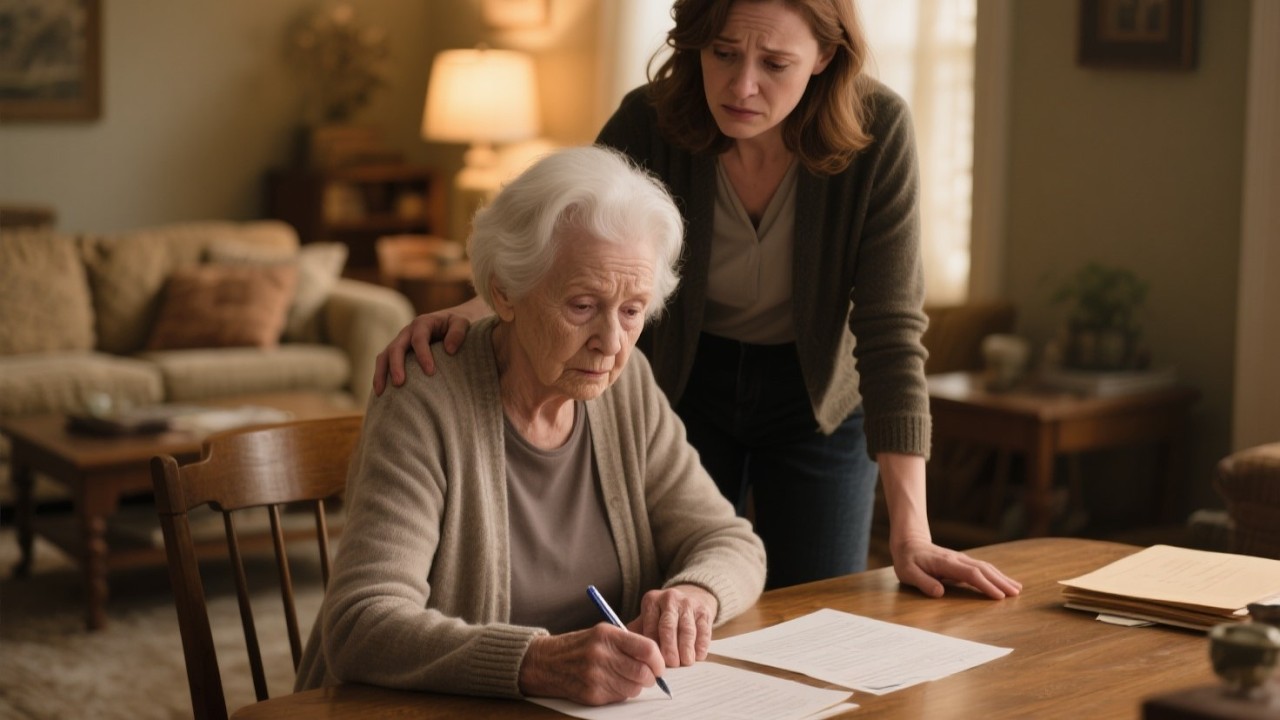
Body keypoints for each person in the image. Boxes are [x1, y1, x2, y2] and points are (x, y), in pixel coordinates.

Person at [373, 0, 1021, 599]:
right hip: (686, 383)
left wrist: (913, 531)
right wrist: (471, 307)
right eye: (722, 53)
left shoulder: (879, 133)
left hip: (817, 397)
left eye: (775, 64)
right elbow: (565, 250)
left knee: (822, 606)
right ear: (695, 44)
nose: (742, 86)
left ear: (824, 57)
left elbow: (890, 332)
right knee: (686, 595)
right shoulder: (649, 120)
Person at [295, 146, 767, 705]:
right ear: (505, 292)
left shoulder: (626, 385)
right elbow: (360, 623)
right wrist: (534, 663)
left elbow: (730, 540)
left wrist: (695, 594)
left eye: (633, 310)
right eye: (583, 305)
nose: (611, 343)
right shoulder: (424, 396)